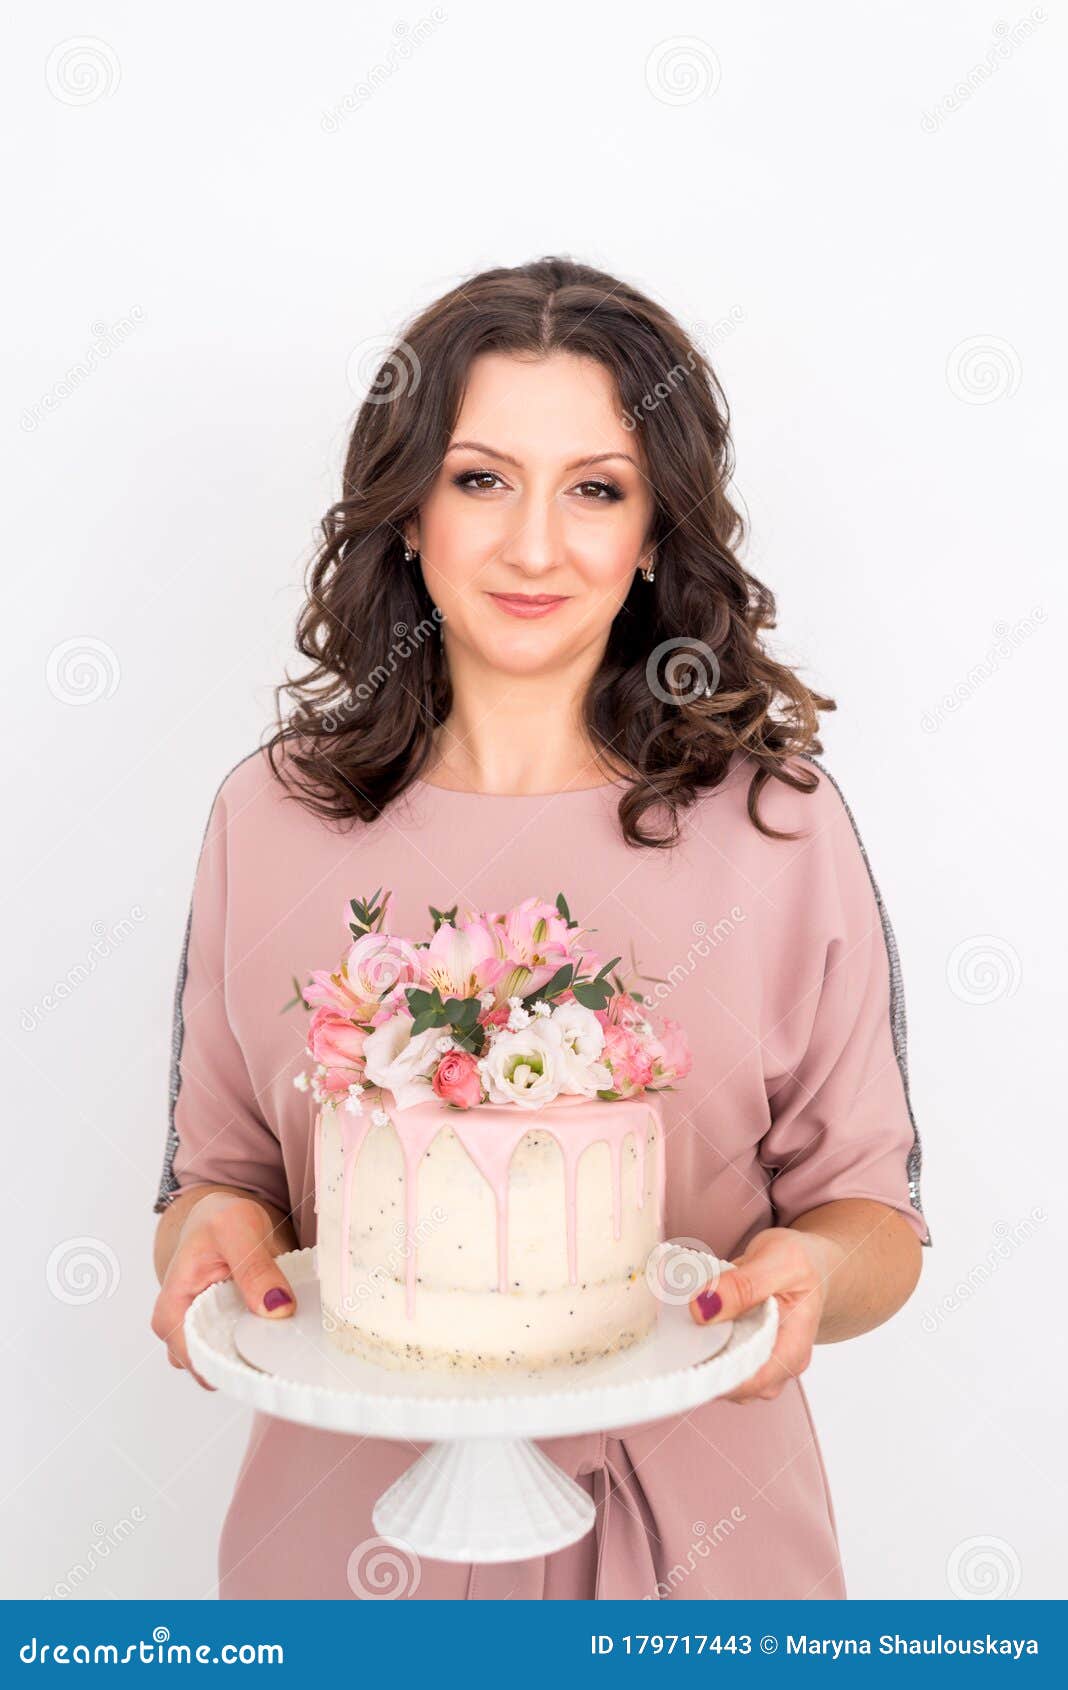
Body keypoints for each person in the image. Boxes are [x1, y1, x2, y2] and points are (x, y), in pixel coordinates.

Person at [151, 256, 929, 1600]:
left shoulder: (777, 829)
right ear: (405, 514)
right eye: (479, 478)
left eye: (596, 488)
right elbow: (214, 1175)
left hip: (705, 1546)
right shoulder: (267, 818)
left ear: (651, 538)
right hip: (348, 1546)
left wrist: (811, 1268)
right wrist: (209, 1234)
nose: (533, 545)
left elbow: (877, 1214)